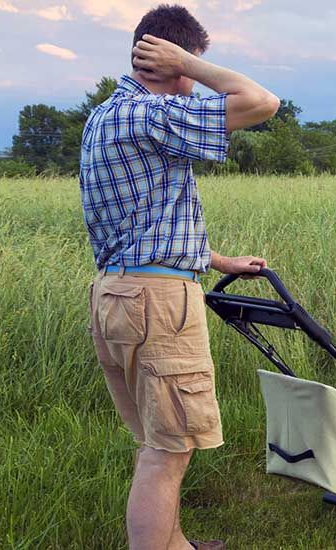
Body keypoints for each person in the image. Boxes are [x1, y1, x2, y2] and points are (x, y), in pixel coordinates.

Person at [80, 5, 279, 549]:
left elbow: (141, 218)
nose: (194, 77)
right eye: (190, 64)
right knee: (169, 449)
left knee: (159, 439)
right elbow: (263, 102)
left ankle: (176, 545)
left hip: (118, 290)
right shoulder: (147, 114)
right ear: (170, 60)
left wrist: (217, 261)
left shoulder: (106, 116)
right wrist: (189, 62)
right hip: (157, 300)